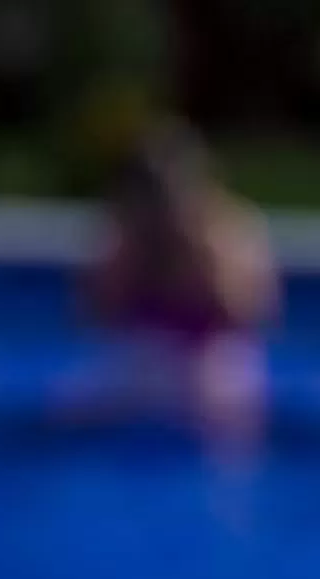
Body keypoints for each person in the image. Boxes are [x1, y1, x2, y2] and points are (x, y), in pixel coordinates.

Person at [83, 122, 279, 443]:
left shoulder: (230, 233)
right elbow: (95, 315)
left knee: (220, 409)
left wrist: (200, 261)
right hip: (144, 347)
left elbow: (255, 314)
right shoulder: (125, 232)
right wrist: (134, 260)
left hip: (212, 352)